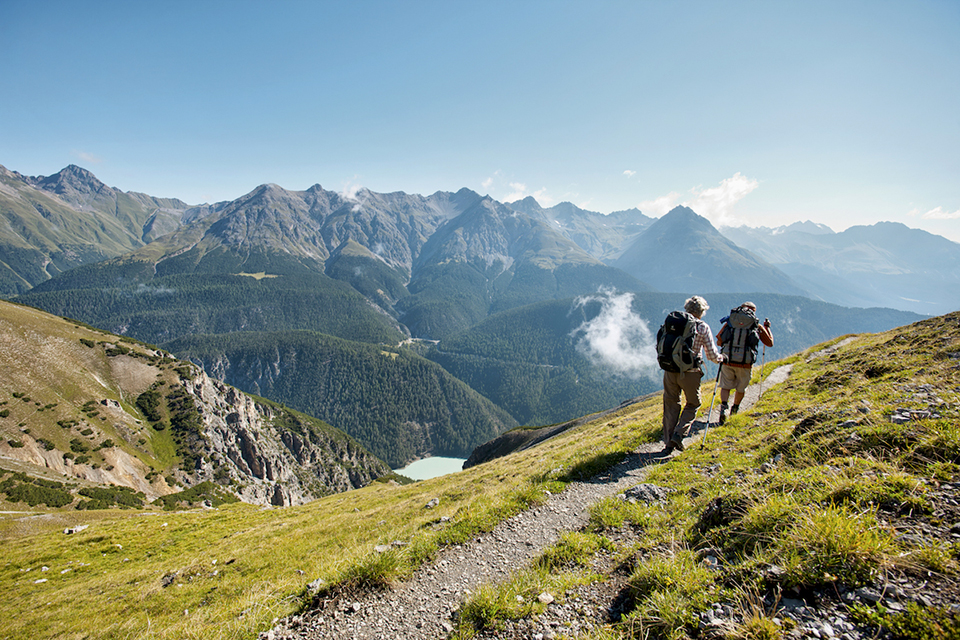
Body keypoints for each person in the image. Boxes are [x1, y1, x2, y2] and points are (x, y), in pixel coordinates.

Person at [661, 295, 724, 454]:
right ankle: (679, 433)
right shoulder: (702, 327)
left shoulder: (674, 323)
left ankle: (668, 443)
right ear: (702, 311)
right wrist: (721, 358)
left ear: (686, 308)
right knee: (693, 403)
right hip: (690, 372)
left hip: (670, 369)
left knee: (671, 404)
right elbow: (711, 354)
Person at [715, 301, 773, 424]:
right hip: (745, 363)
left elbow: (719, 341)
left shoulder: (730, 322)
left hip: (728, 360)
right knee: (741, 388)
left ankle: (723, 408)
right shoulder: (756, 325)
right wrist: (767, 328)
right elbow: (769, 343)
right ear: (753, 311)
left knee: (725, 386)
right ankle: (734, 409)